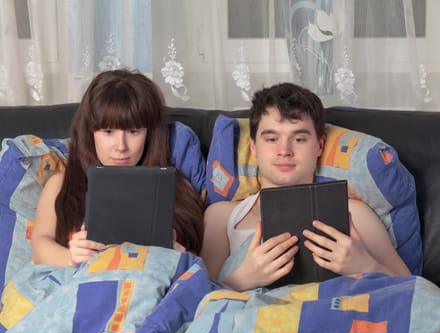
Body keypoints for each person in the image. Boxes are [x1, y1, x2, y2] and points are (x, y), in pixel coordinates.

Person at [201, 82, 411, 291]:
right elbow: (198, 304)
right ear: (254, 147)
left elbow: (417, 291)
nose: (284, 150)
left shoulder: (354, 214)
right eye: (272, 138)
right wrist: (244, 278)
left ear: (319, 145)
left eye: (299, 139)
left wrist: (365, 265)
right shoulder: (222, 217)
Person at [31, 69, 204, 267]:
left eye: (133, 131)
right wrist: (72, 258)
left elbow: (204, 266)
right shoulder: (60, 184)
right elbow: (39, 244)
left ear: (150, 134)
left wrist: (180, 259)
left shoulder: (176, 189)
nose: (120, 146)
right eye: (108, 131)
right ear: (90, 132)